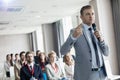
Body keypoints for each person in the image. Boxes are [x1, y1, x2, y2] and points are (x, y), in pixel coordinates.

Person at [60, 5, 109, 80]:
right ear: (81, 17)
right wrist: (73, 37)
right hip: (86, 75)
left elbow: (106, 53)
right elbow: (63, 51)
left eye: (92, 14)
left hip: (102, 73)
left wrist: (102, 40)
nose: (91, 16)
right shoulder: (75, 31)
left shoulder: (97, 31)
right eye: (87, 14)